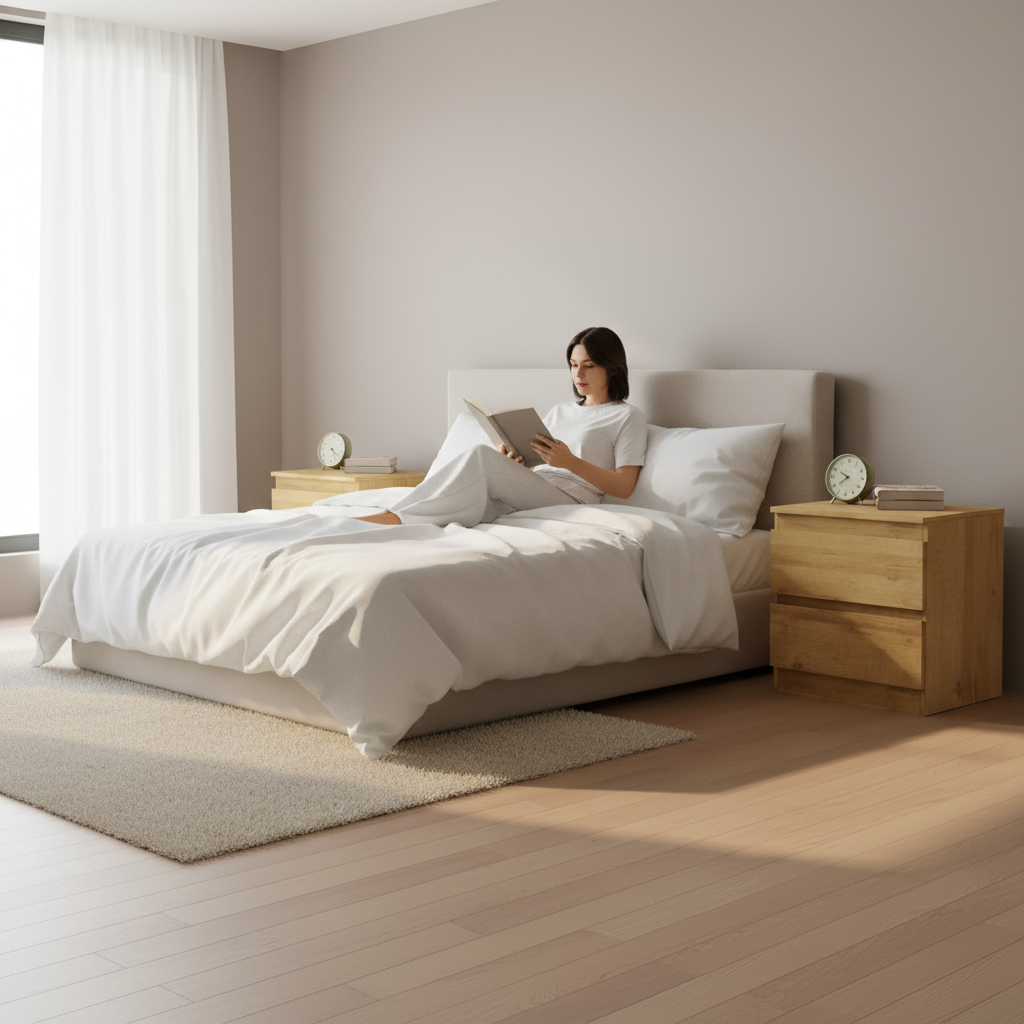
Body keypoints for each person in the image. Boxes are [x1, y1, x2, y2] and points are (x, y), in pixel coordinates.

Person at [355, 326, 647, 528]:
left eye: (589, 365)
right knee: (476, 489)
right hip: (536, 487)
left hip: (572, 500)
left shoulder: (626, 417)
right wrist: (517, 463)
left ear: (612, 367)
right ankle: (400, 517)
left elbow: (624, 486)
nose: (578, 374)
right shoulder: (560, 411)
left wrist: (569, 462)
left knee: (481, 458)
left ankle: (394, 518)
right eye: (573, 364)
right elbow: (540, 463)